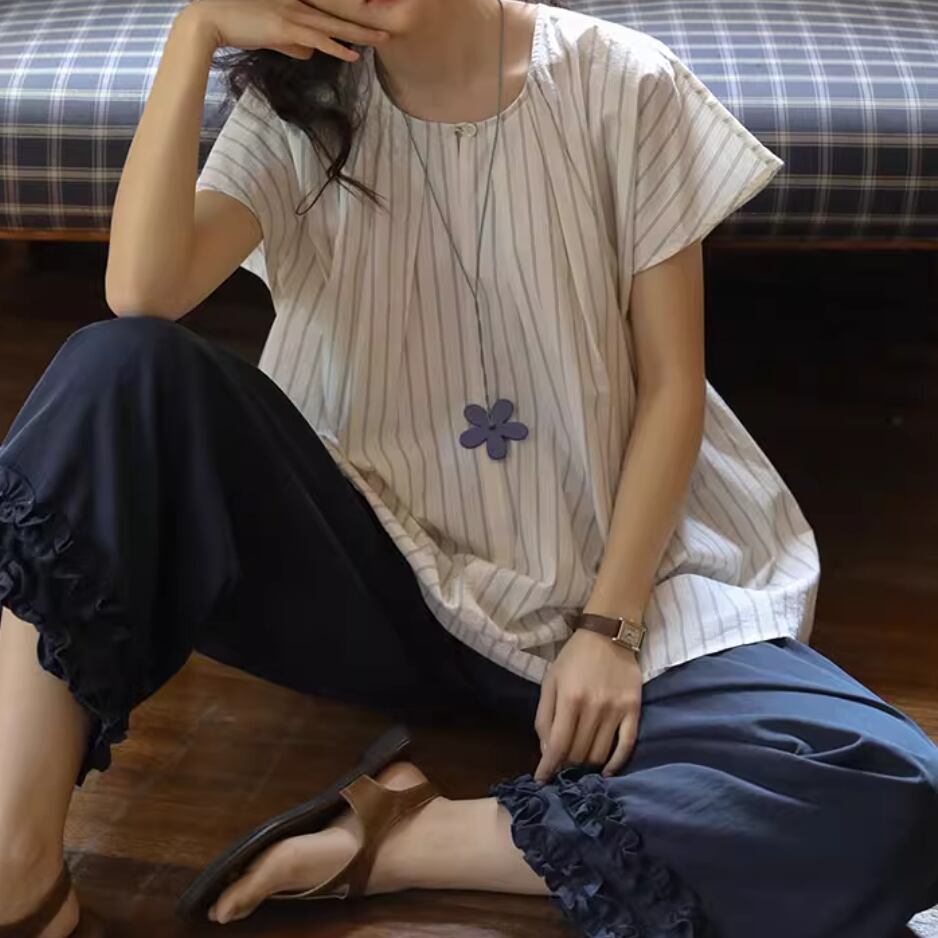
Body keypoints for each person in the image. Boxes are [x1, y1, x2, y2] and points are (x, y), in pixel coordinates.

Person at [1, 1, 936, 936]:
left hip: (613, 584)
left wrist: (609, 628)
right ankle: (19, 868)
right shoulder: (302, 109)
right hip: (383, 570)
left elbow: (670, 390)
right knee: (118, 367)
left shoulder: (620, 80)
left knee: (895, 795)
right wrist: (197, 28)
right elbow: (143, 291)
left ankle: (409, 838)